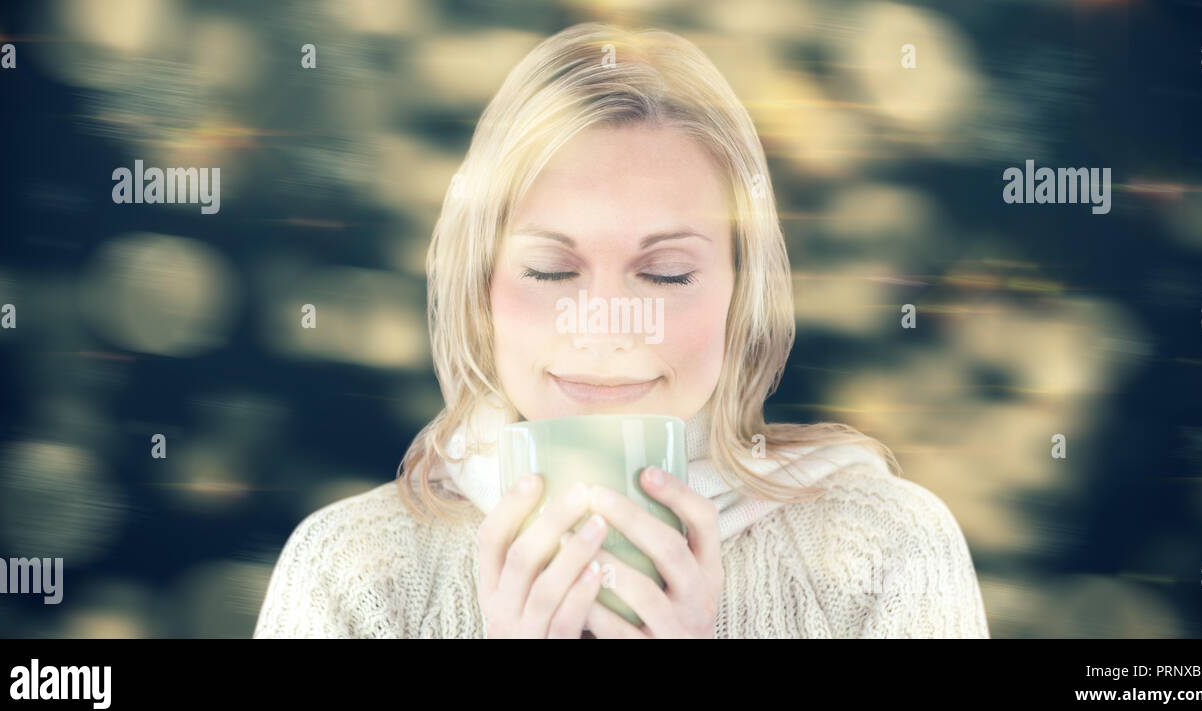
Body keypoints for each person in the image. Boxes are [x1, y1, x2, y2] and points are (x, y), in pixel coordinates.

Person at [254, 22, 990, 639]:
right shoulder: (351, 573)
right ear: (480, 289)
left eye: (666, 274)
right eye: (549, 270)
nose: (604, 324)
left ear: (744, 293)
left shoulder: (886, 549)